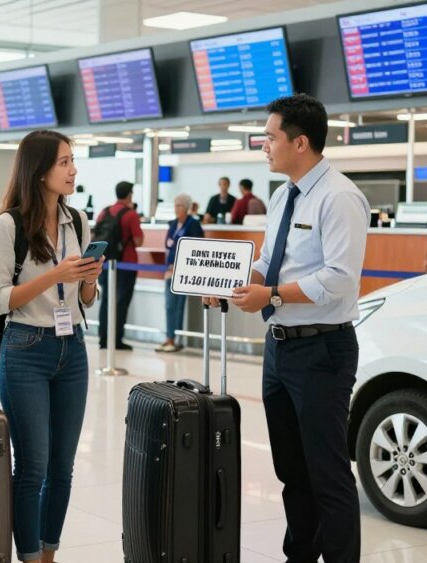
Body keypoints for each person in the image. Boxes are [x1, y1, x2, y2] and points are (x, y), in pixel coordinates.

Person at [205, 94, 369, 563]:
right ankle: (298, 556)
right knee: (292, 471)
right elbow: (266, 262)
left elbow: (340, 279)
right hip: (279, 351)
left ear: (300, 142)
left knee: (328, 474)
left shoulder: (339, 197)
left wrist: (272, 295)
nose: (263, 145)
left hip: (322, 350)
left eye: (270, 137)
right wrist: (233, 284)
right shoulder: (282, 195)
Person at [0, 129, 102, 563]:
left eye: (73, 161)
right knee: (32, 467)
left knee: (62, 469)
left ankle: (49, 555)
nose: (73, 170)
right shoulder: (8, 226)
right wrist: (56, 275)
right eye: (63, 163)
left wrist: (89, 280)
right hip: (25, 349)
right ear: (38, 172)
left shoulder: (79, 221)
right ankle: (29, 557)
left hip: (72, 349)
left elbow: (86, 299)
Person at [96, 180, 144, 350]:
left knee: (106, 301)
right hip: (126, 264)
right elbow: (138, 241)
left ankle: (103, 338)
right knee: (121, 303)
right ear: (130, 194)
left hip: (106, 264)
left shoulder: (105, 211)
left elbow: (96, 233)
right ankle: (116, 340)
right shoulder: (131, 214)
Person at [157, 193, 203, 353]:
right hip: (170, 269)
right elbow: (168, 245)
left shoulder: (193, 224)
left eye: (180, 206)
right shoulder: (172, 224)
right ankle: (170, 337)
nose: (177, 209)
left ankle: (173, 338)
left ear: (187, 208)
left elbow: (196, 246)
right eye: (175, 205)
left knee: (177, 305)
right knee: (169, 305)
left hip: (184, 271)